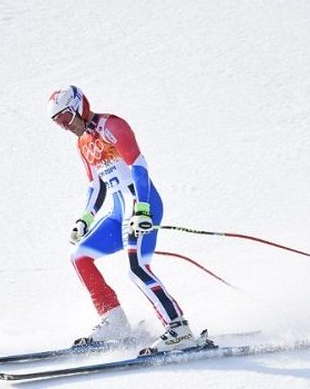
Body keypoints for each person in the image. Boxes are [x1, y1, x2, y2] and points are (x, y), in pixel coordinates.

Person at [46, 85, 207, 352]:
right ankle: (114, 320)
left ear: (79, 107)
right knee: (80, 257)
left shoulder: (112, 126)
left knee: (136, 268)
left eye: (65, 118)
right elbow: (96, 186)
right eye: (58, 123)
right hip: (119, 213)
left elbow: (138, 165)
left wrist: (143, 208)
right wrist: (85, 218)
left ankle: (179, 328)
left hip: (141, 205)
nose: (64, 126)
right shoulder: (83, 143)